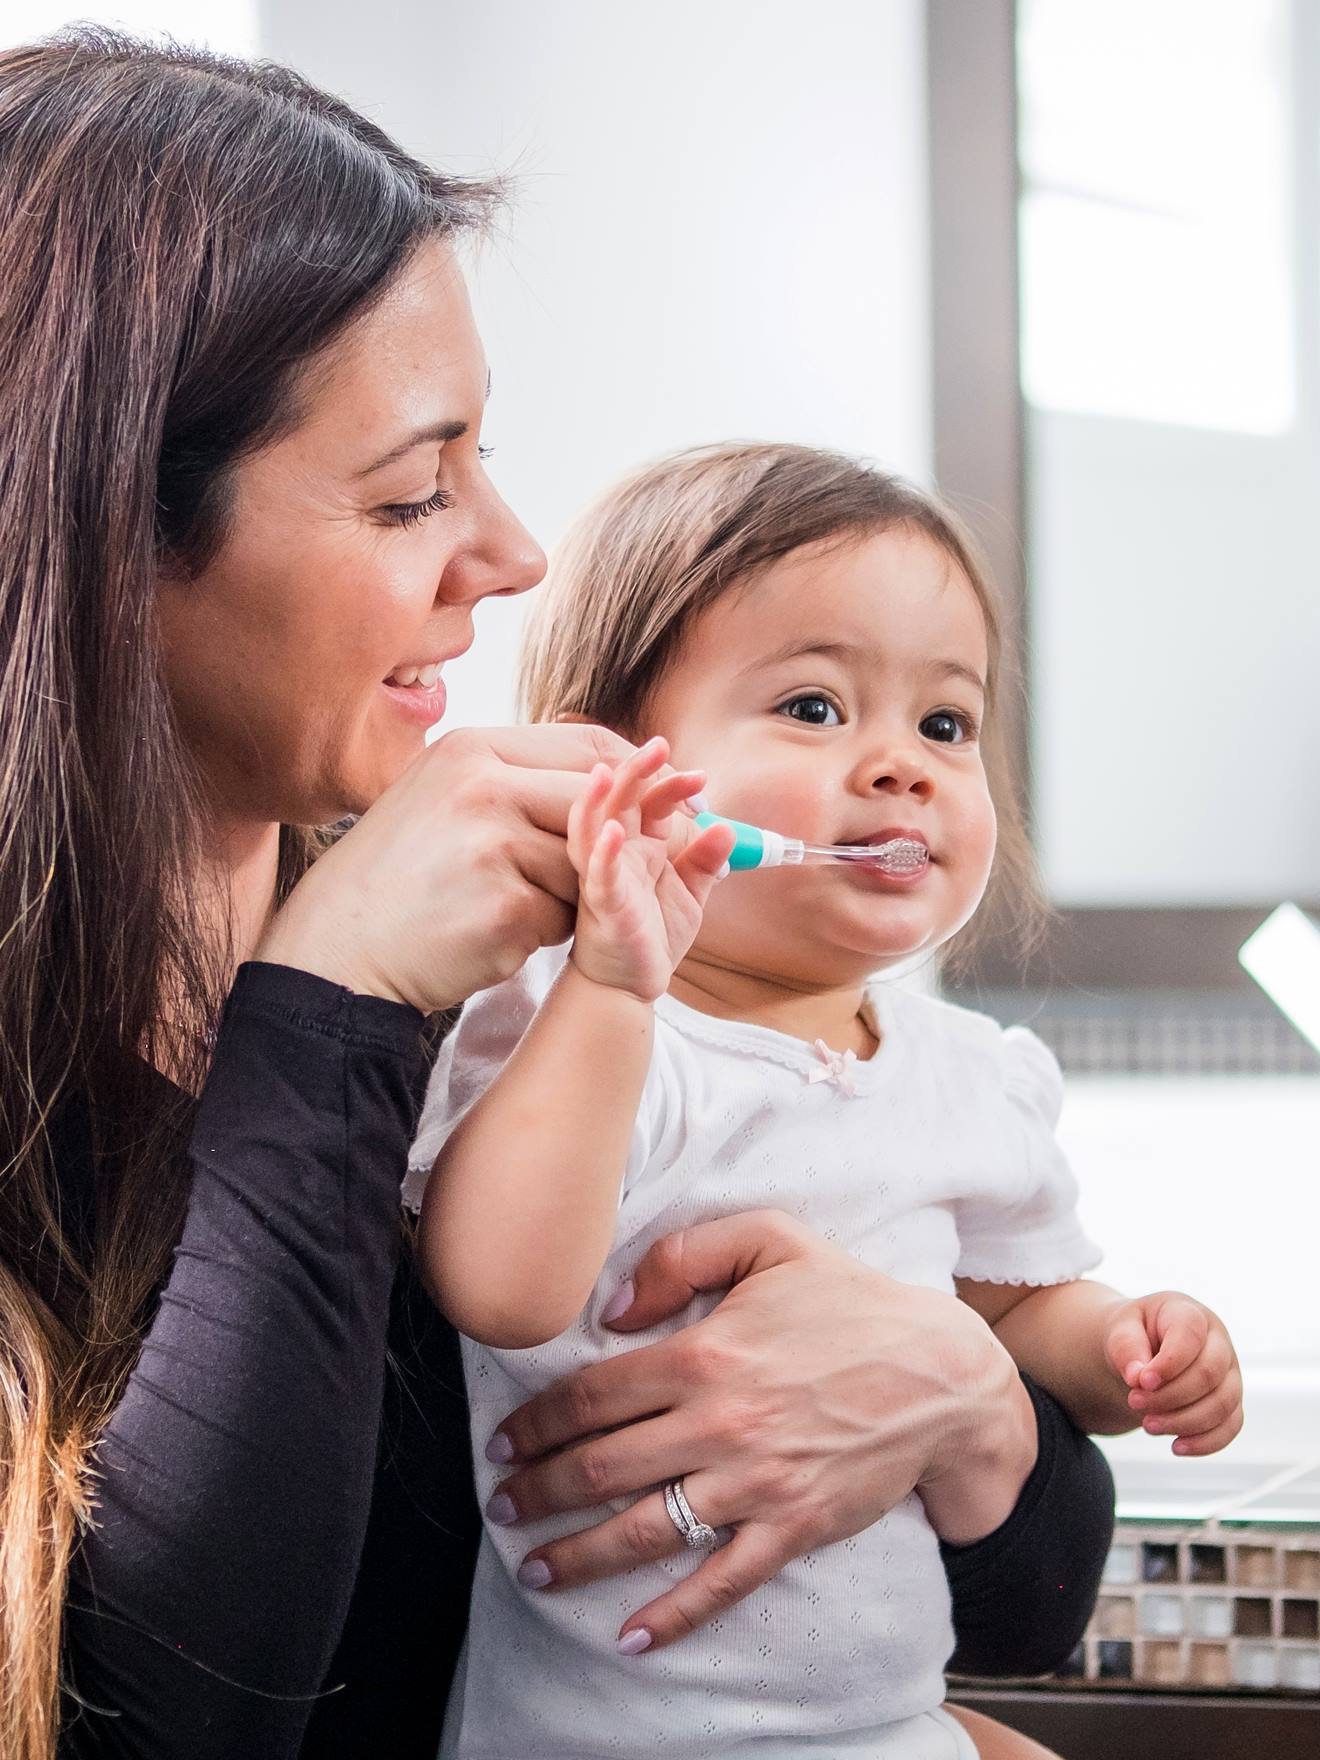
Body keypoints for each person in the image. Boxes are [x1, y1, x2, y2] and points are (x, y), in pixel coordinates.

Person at [0, 31, 1114, 1760]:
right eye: (411, 489)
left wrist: (962, 1397)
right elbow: (169, 1727)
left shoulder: (539, 982)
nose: (511, 553)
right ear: (104, 530)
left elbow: (1027, 1603)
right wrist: (330, 1008)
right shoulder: (378, 1008)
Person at [412, 443, 1244, 1758]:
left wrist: (1137, 1344)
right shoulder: (582, 1031)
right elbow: (500, 1286)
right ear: (612, 761)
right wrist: (613, 992)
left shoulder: (970, 1075)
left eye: (945, 723)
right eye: (812, 706)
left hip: (885, 1728)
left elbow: (1015, 1319)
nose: (901, 764)